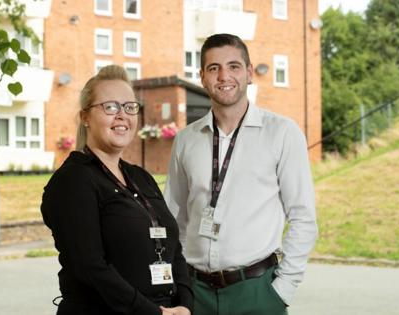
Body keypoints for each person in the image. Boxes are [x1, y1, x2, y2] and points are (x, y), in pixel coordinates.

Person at [165, 33, 318, 314]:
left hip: (257, 292)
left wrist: (282, 289)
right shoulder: (185, 140)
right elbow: (175, 218)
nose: (224, 76)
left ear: (249, 73)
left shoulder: (282, 133)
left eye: (233, 66)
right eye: (214, 68)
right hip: (195, 293)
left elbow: (303, 217)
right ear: (202, 76)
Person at [41, 65, 192, 315]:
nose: (122, 115)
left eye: (130, 107)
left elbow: (174, 250)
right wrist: (152, 312)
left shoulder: (141, 178)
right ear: (85, 117)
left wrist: (184, 304)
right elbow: (90, 267)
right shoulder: (74, 180)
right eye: (110, 107)